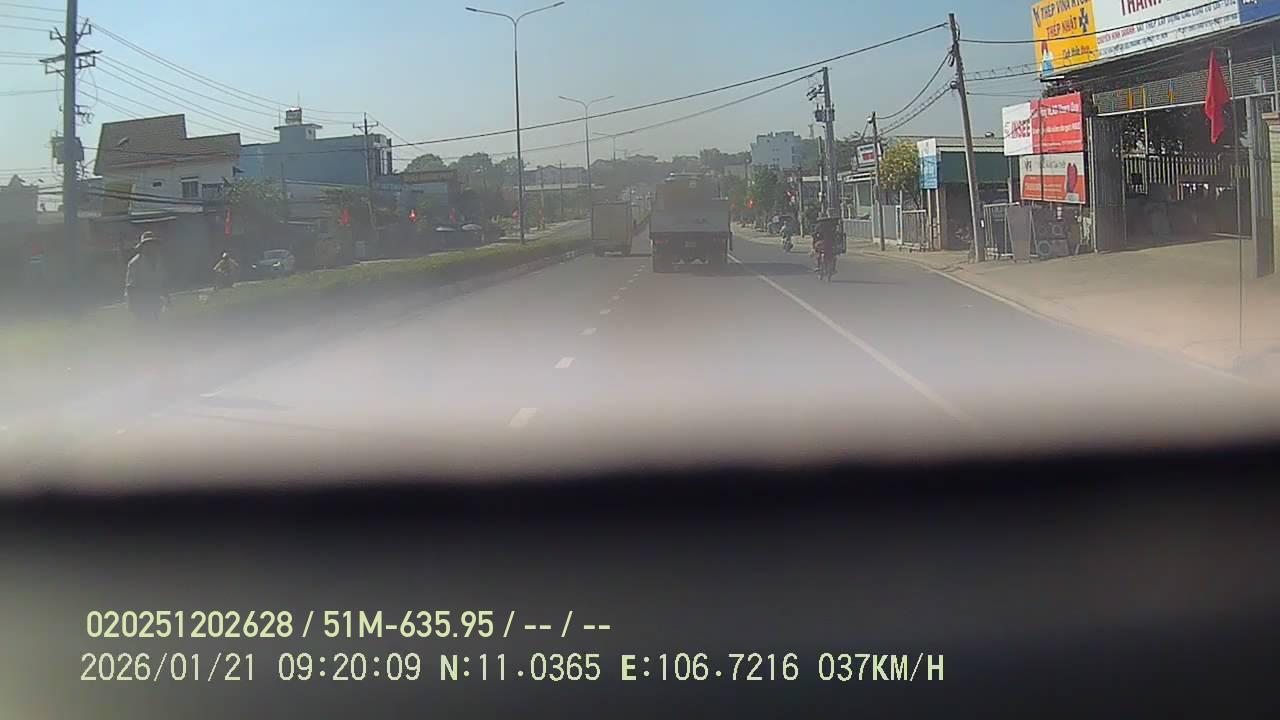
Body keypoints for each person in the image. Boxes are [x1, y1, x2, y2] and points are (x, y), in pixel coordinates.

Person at [125, 231, 169, 323]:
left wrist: (166, 296)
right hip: (141, 300)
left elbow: (162, 280)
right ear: (143, 247)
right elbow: (131, 286)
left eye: (153, 244)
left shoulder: (159, 260)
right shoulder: (135, 263)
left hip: (155, 299)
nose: (151, 247)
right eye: (148, 244)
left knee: (156, 323)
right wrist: (133, 305)